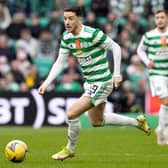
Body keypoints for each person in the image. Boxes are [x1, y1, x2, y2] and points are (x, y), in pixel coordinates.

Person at [38, 6, 151, 161]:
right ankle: (137, 122)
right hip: (90, 82)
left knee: (71, 113)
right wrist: (47, 82)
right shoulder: (67, 37)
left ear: (80, 18)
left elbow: (116, 48)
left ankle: (70, 149)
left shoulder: (93, 34)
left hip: (103, 81)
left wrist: (116, 74)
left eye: (71, 18)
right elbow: (59, 62)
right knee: (97, 121)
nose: (67, 22)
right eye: (65, 19)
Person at [137, 9, 168, 145]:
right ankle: (164, 130)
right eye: (157, 17)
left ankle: (161, 129)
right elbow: (140, 50)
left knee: (166, 104)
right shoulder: (149, 35)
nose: (159, 20)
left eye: (162, 17)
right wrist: (147, 61)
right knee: (166, 101)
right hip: (157, 73)